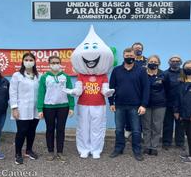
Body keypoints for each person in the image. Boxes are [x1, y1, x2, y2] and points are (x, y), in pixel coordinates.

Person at [65, 25, 115, 159]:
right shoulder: (81, 75)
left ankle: (96, 149)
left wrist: (108, 92)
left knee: (97, 128)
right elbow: (79, 89)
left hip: (99, 105)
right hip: (83, 105)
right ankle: (84, 148)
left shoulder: (103, 75)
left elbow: (104, 90)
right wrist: (73, 92)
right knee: (83, 127)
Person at [108, 48, 149, 161]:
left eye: (131, 55)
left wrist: (143, 105)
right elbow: (111, 88)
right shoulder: (116, 70)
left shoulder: (141, 70)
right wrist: (111, 102)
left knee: (136, 130)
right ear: (123, 56)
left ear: (134, 56)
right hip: (119, 105)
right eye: (127, 55)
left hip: (135, 106)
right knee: (119, 129)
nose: (129, 57)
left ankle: (137, 151)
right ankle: (118, 148)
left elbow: (146, 89)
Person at [37, 56, 75, 162]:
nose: (55, 64)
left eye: (57, 62)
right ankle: (50, 151)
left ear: (60, 63)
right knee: (50, 129)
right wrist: (40, 109)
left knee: (61, 129)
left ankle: (60, 152)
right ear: (49, 64)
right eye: (53, 62)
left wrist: (71, 106)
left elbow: (70, 92)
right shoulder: (44, 77)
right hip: (48, 107)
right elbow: (41, 93)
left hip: (63, 106)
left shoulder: (65, 77)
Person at [9, 52, 40, 165]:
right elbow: (12, 92)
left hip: (35, 108)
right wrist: (14, 108)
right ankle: (18, 154)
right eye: (26, 60)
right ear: (22, 61)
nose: (28, 62)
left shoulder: (38, 76)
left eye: (31, 60)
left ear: (34, 62)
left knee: (32, 131)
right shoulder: (17, 75)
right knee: (22, 131)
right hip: (22, 108)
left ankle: (29, 150)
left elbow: (41, 92)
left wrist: (41, 108)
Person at [142, 55, 167, 156]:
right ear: (147, 62)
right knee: (146, 126)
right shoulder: (142, 74)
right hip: (145, 104)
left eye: (155, 61)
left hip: (160, 104)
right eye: (151, 61)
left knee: (157, 126)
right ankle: (147, 146)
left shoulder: (163, 74)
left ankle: (154, 147)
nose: (153, 63)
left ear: (159, 63)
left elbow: (168, 89)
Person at [124, 42, 147, 138]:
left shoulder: (147, 61)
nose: (138, 49)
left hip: (142, 90)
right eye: (136, 48)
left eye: (140, 48)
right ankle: (128, 129)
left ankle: (140, 131)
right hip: (131, 90)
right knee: (129, 112)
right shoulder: (128, 61)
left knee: (141, 112)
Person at [162, 55, 184, 150]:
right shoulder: (164, 73)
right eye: (173, 61)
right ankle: (166, 142)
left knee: (180, 125)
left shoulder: (184, 73)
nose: (175, 62)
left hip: (181, 104)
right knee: (167, 124)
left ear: (180, 62)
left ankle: (180, 143)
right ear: (169, 62)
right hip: (168, 103)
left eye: (177, 61)